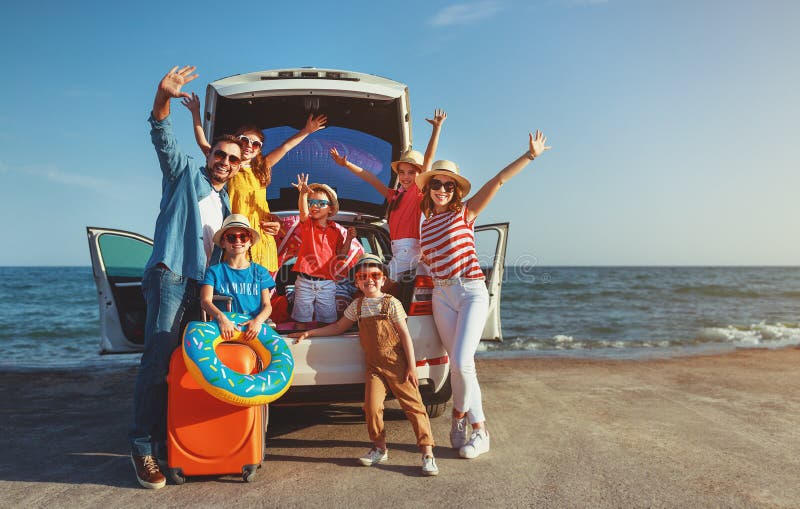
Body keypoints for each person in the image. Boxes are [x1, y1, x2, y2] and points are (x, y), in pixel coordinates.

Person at [130, 66, 244, 489]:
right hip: (172, 275)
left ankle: (171, 442)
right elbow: (162, 134)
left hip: (202, 287)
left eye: (233, 159)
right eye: (221, 155)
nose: (226, 163)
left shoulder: (225, 197)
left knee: (186, 366)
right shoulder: (184, 175)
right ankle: (143, 447)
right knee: (157, 362)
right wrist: (163, 96)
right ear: (209, 153)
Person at [417, 130, 551, 459]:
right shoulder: (425, 225)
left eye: (449, 186)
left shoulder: (465, 213)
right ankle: (467, 427)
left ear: (457, 191)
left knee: (462, 364)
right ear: (429, 188)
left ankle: (470, 425)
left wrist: (529, 155)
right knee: (461, 366)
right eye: (437, 184)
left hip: (471, 291)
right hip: (441, 297)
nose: (443, 190)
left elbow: (498, 181)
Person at [289, 254, 438, 476]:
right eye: (363, 276)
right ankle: (379, 448)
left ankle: (427, 454)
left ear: (383, 279)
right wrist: (310, 332)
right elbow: (338, 327)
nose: (369, 280)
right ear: (357, 282)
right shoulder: (357, 306)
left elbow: (405, 335)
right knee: (371, 407)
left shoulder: (391, 303)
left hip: (397, 364)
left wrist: (412, 366)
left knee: (414, 406)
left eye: (375, 275)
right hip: (374, 367)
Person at [182, 93, 327, 273]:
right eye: (244, 140)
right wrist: (195, 112)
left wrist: (307, 130)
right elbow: (203, 143)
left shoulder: (262, 168)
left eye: (256, 144)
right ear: (236, 141)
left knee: (261, 292)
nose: (249, 145)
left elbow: (286, 147)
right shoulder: (229, 167)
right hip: (236, 237)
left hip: (261, 236)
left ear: (259, 149)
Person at [329, 109, 447, 279]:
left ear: (419, 174)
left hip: (408, 250)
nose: (405, 177)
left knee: (379, 286)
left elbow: (428, 160)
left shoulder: (418, 191)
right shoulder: (395, 196)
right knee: (379, 287)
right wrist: (347, 164)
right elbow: (371, 179)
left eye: (411, 172)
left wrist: (436, 129)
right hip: (398, 250)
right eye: (402, 172)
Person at [290, 173, 353, 326]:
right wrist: (303, 195)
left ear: (330, 209)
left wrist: (349, 239)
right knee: (301, 320)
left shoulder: (336, 231)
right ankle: (300, 343)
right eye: (311, 202)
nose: (314, 206)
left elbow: (341, 255)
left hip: (327, 283)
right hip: (304, 281)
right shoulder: (308, 224)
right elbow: (303, 212)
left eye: (320, 203)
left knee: (328, 321)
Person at [200, 214, 275, 341]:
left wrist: (257, 322)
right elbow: (205, 301)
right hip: (224, 330)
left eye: (243, 237)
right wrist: (222, 319)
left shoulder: (260, 271)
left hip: (252, 330)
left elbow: (267, 305)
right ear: (223, 243)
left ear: (250, 241)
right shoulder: (213, 271)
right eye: (231, 237)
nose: (238, 241)